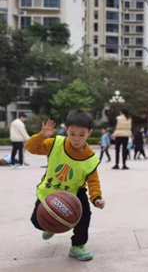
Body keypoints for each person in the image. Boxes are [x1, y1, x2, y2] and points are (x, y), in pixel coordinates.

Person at [25, 111, 105, 261]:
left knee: (84, 217)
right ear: (66, 129)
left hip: (75, 194)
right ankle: (50, 226)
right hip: (50, 192)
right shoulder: (55, 143)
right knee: (37, 222)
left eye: (82, 135)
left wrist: (97, 198)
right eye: (72, 133)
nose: (76, 139)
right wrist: (42, 136)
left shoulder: (91, 159)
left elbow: (93, 181)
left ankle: (77, 246)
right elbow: (31, 148)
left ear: (89, 133)